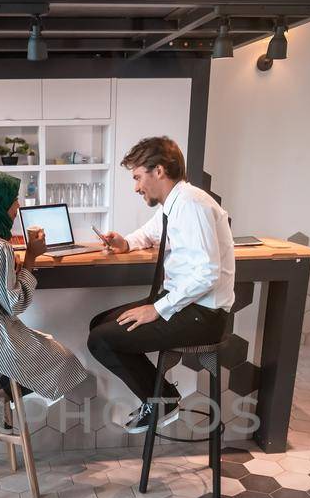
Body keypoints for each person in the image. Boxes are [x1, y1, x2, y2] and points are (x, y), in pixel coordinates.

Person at [88, 137, 235, 432]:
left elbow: (208, 273)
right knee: (99, 323)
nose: (136, 187)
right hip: (188, 305)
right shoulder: (175, 203)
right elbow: (152, 232)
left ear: (159, 170)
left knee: (101, 339)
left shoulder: (193, 204)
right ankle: (160, 398)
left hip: (204, 315)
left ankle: (162, 401)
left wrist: (157, 308)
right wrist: (125, 242)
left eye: (138, 177)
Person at [0, 166, 92, 405]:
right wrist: (31, 258)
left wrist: (11, 267)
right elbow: (16, 305)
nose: (18, 207)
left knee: (38, 350)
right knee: (64, 362)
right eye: (13, 200)